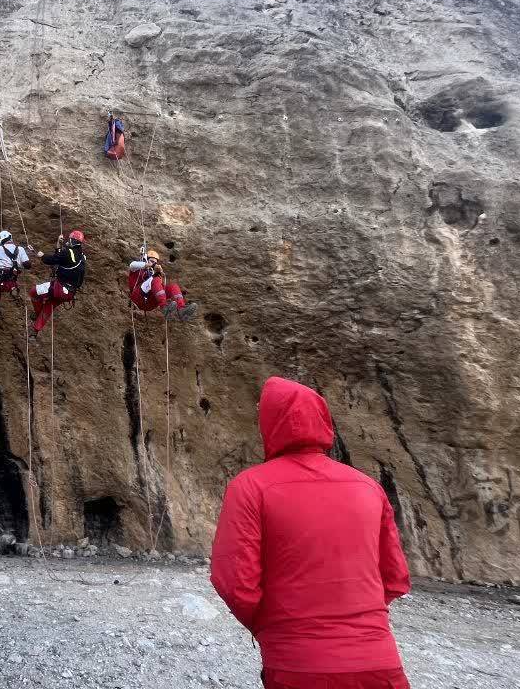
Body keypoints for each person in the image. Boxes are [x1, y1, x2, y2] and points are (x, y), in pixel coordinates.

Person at [210, 377, 412, 689]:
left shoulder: (250, 486)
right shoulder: (368, 486)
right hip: (381, 664)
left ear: (269, 423)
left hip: (296, 665)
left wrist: (271, 627)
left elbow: (235, 582)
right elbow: (396, 578)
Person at [30, 230, 87, 335]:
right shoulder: (82, 256)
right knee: (49, 306)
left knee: (33, 292)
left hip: (58, 289)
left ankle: (37, 314)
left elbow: (52, 260)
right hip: (69, 294)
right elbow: (61, 258)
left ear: (72, 240)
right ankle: (35, 330)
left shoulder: (68, 252)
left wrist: (42, 256)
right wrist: (58, 244)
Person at [128, 249, 198, 320]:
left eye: (155, 262)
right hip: (137, 298)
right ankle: (164, 306)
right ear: (146, 260)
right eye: (152, 261)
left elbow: (160, 289)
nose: (154, 264)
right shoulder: (138, 268)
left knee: (173, 287)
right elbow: (132, 265)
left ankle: (181, 309)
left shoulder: (152, 274)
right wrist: (150, 265)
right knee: (155, 279)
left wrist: (161, 275)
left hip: (149, 303)